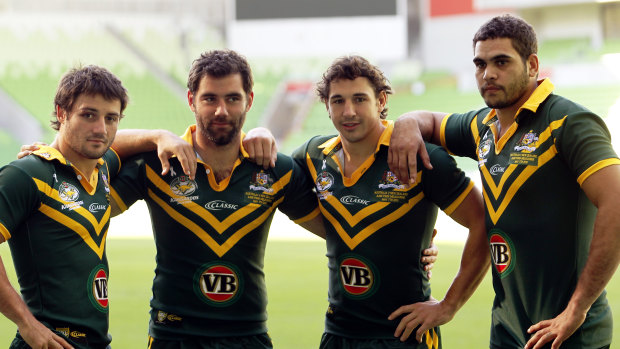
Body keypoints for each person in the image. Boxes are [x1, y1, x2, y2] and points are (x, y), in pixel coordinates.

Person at [388, 14, 620, 349]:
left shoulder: (569, 122)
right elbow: (431, 121)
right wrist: (407, 122)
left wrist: (577, 309)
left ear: (532, 64)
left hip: (567, 334)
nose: (488, 74)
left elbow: (615, 200)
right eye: (480, 64)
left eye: (501, 62)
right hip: (507, 331)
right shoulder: (482, 125)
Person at [107, 49, 327, 348]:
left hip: (248, 336)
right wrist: (154, 135)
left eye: (232, 98)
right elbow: (97, 148)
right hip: (174, 336)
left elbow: (338, 230)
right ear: (191, 100)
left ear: (249, 100)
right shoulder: (159, 164)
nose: (221, 110)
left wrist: (413, 250)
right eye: (210, 98)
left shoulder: (276, 169)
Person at [291, 55, 489, 348]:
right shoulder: (312, 155)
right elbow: (267, 178)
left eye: (359, 99)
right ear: (326, 106)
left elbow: (483, 221)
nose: (348, 112)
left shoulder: (422, 156)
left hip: (405, 334)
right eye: (337, 101)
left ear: (381, 100)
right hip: (338, 334)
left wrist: (448, 306)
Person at [0, 65, 127, 349]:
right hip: (48, 343)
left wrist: (160, 136)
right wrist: (27, 324)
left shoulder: (102, 169)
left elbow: (128, 143)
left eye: (111, 118)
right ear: (62, 113)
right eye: (88, 115)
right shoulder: (27, 174)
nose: (100, 129)